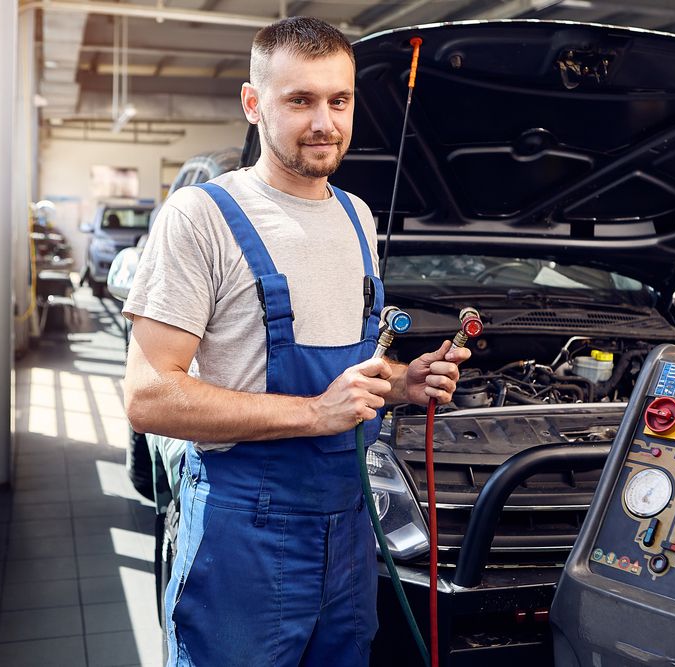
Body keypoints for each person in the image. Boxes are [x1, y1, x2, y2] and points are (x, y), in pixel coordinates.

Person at [121, 16, 470, 667]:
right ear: (254, 104)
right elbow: (147, 396)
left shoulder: (357, 216)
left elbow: (351, 374)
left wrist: (401, 383)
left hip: (349, 529)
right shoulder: (200, 218)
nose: (324, 123)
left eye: (338, 100)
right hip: (243, 528)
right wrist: (315, 413)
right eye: (300, 100)